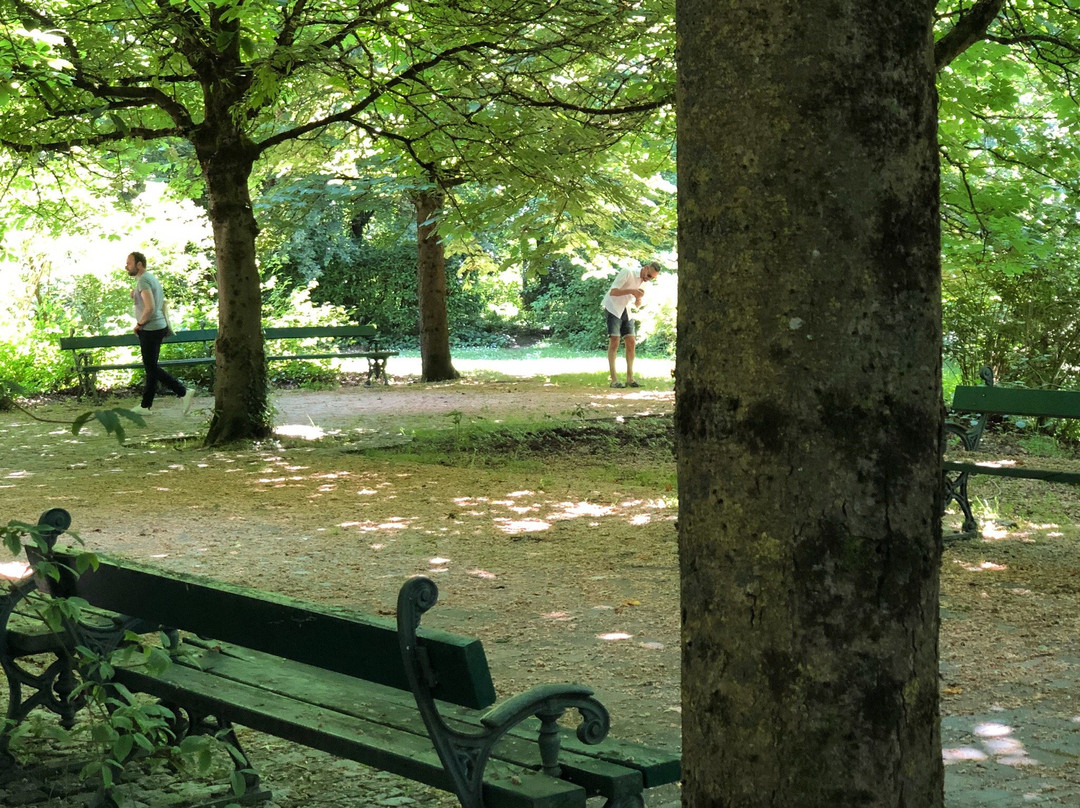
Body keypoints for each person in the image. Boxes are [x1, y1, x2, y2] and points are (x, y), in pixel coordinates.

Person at [126, 251, 195, 416]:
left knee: (151, 367)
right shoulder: (149, 278)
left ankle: (183, 391)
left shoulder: (143, 280)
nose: (126, 266)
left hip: (150, 328)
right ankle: (145, 406)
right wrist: (135, 295)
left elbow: (150, 307)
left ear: (139, 264)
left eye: (129, 263)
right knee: (151, 367)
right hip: (157, 326)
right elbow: (152, 300)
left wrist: (139, 324)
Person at [602, 260, 661, 388]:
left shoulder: (644, 282)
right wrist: (632, 291)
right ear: (645, 268)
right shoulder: (627, 272)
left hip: (626, 309)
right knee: (615, 341)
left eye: (652, 278)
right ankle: (614, 380)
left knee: (631, 341)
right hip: (613, 307)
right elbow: (613, 292)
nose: (649, 279)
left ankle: (630, 378)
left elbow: (637, 298)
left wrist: (638, 300)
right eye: (649, 275)